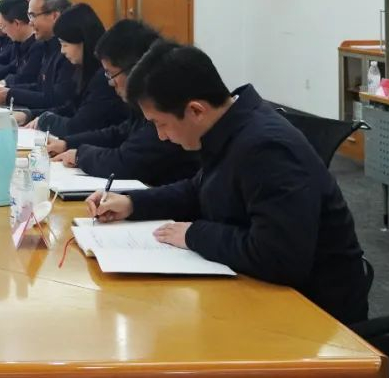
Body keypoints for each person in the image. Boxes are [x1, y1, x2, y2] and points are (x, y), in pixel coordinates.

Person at [86, 41, 368, 325]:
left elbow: (278, 258)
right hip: (260, 289)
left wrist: (194, 234)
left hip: (314, 314)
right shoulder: (229, 128)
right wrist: (132, 203)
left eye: (161, 124)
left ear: (196, 110)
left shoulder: (266, 148)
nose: (161, 136)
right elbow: (199, 189)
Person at [47, 20, 199, 186]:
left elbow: (126, 162)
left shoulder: (165, 102)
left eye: (110, 74)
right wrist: (68, 143)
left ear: (135, 68)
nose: (110, 83)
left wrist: (80, 155)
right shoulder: (143, 102)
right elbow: (121, 132)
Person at [21, 3, 127, 137]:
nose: (62, 51)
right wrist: (29, 115)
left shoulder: (104, 77)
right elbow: (71, 108)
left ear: (83, 41)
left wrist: (44, 120)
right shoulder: (83, 70)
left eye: (65, 44)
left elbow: (78, 126)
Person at [0, 0, 73, 109]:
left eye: (33, 16)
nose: (30, 23)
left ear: (54, 16)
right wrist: (9, 91)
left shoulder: (68, 51)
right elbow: (41, 87)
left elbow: (57, 100)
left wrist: (11, 94)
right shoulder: (47, 45)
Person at [0, 0, 43, 86]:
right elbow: (13, 67)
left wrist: (4, 83)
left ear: (16, 23)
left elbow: (27, 77)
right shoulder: (18, 42)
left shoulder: (39, 46)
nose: (3, 31)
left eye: (3, 26)